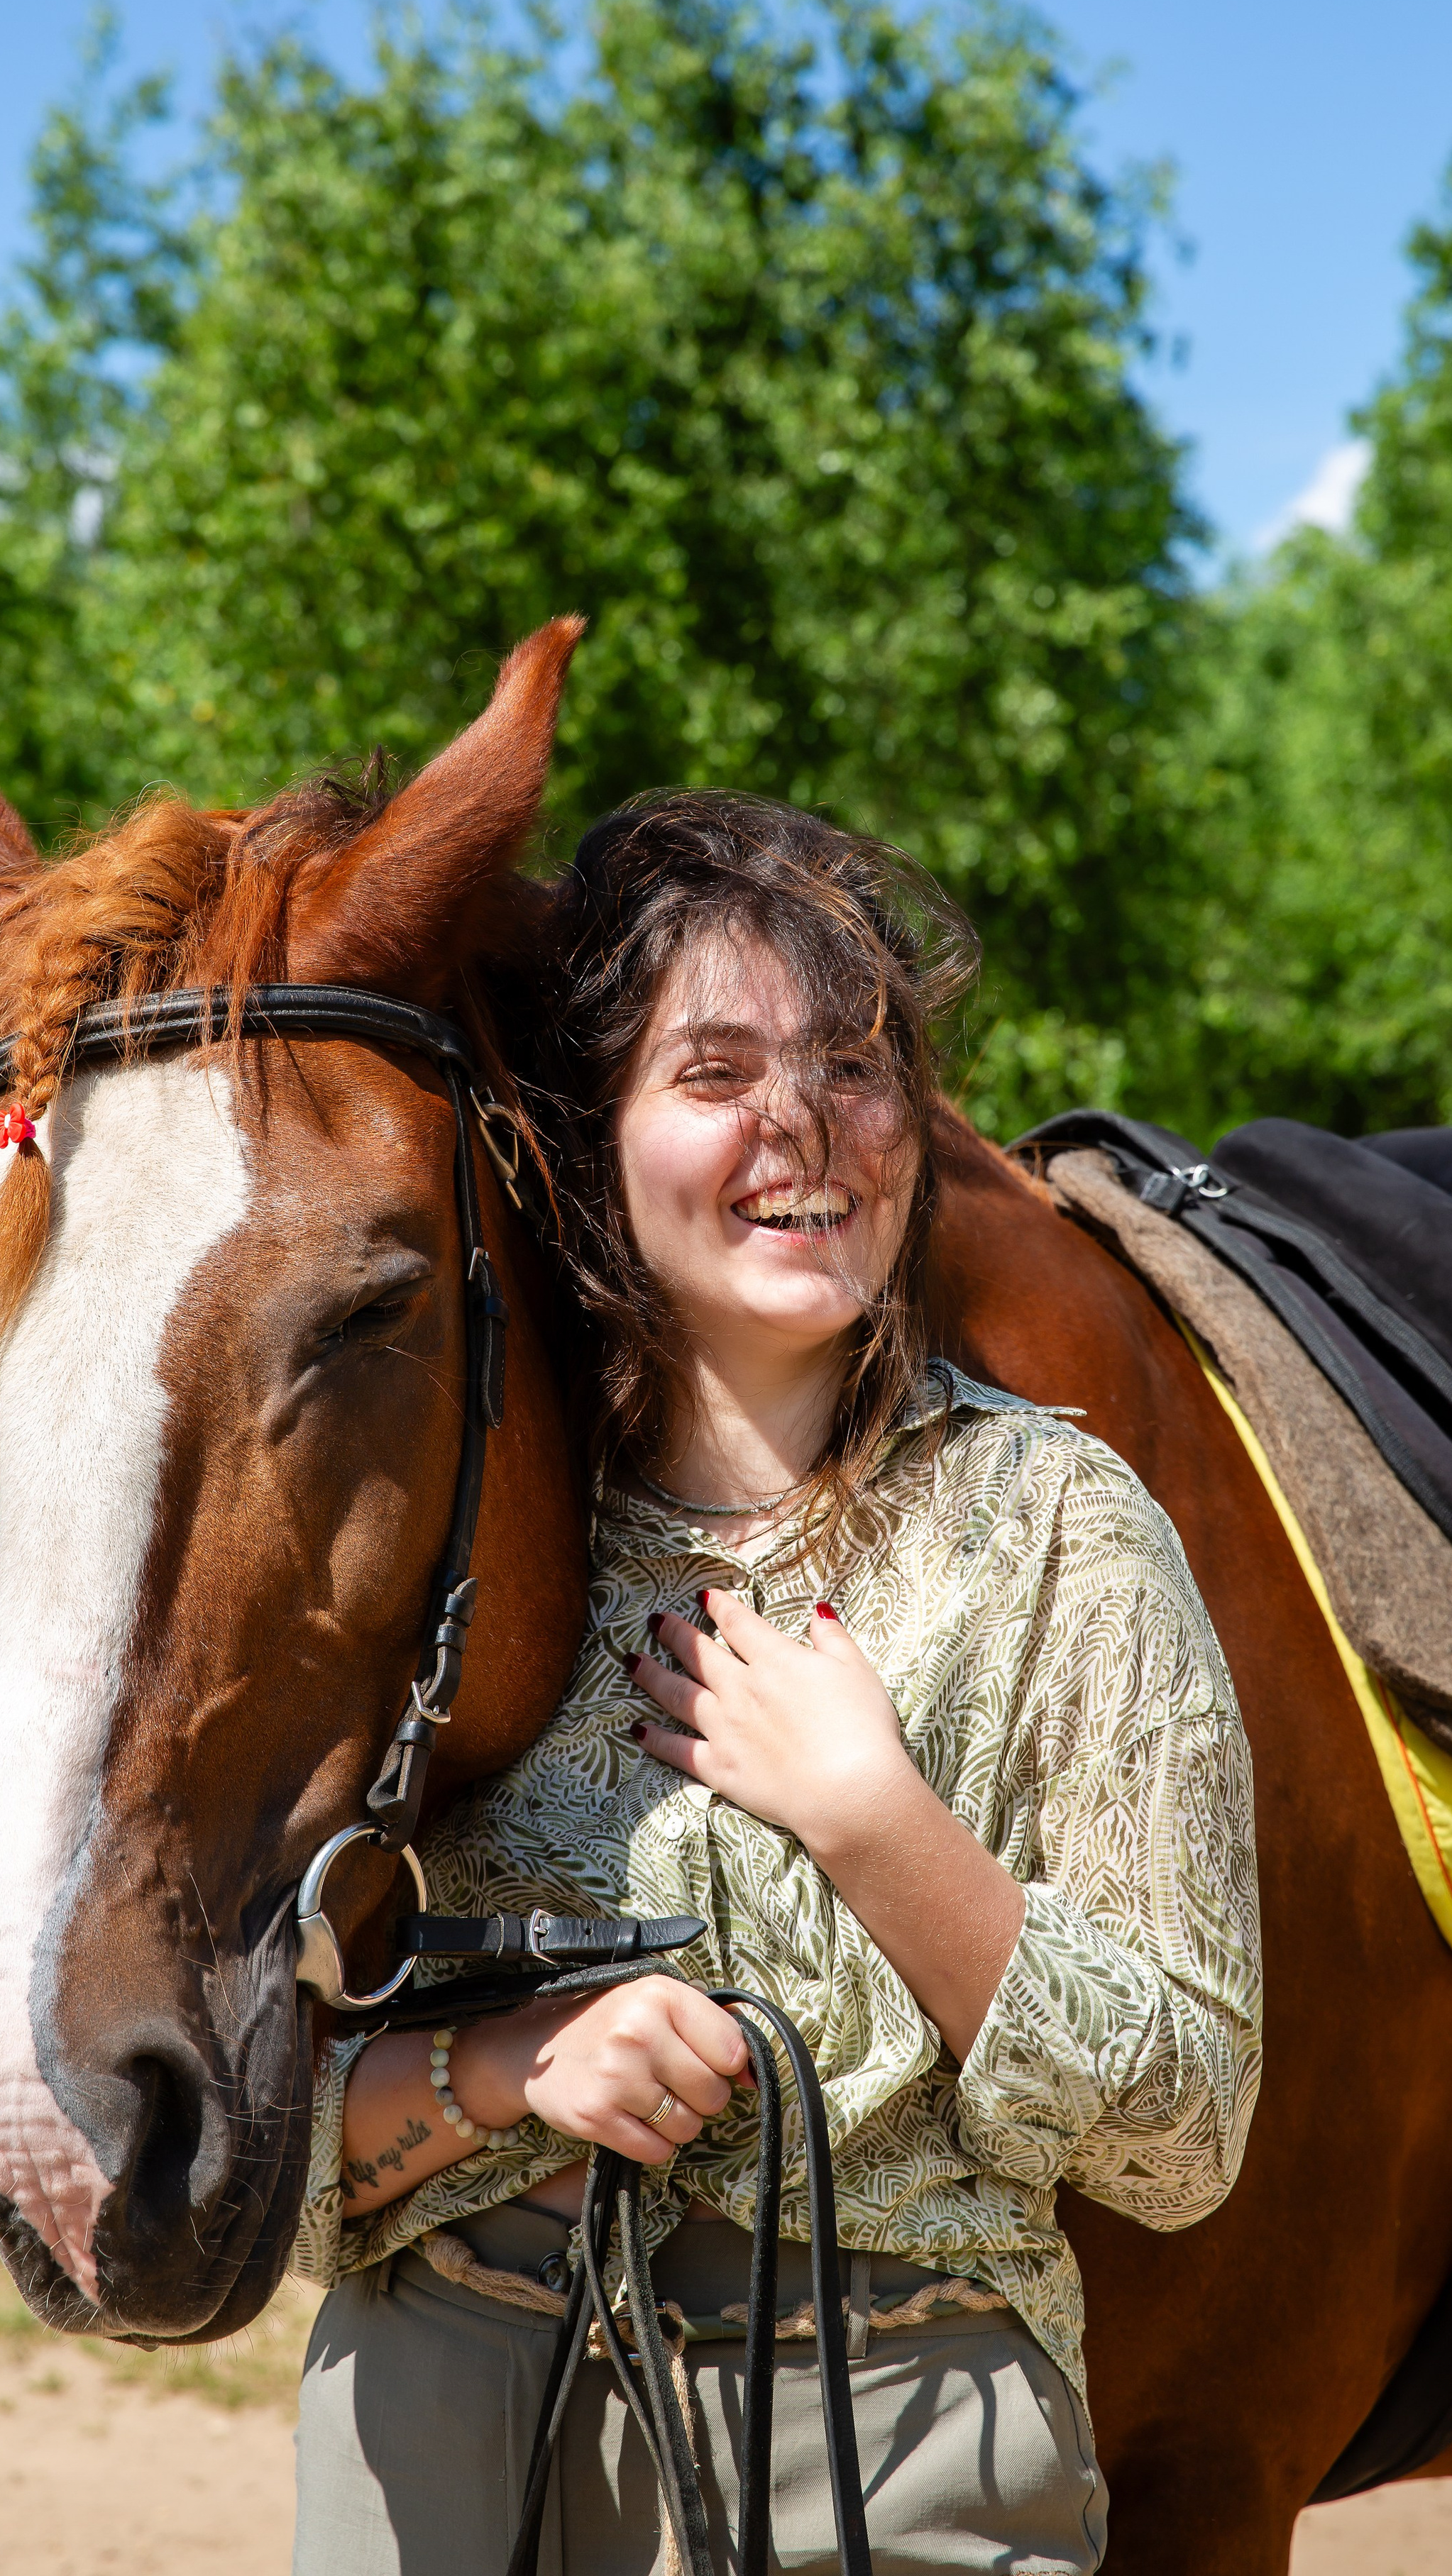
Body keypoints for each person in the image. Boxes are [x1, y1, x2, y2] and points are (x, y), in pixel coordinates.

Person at [290, 791, 1264, 2576]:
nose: (801, 1123)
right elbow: (242, 2135)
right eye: (716, 1070)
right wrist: (500, 2071)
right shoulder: (441, 1525)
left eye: (852, 1062)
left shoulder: (1066, 1533)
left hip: (900, 2443)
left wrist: (877, 1824)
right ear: (591, 1137)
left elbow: (1184, 2135)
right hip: (439, 2421)